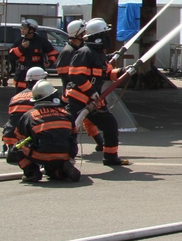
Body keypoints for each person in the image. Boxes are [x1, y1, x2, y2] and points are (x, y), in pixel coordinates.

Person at [65, 18, 134, 167]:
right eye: (105, 34)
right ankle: (64, 158)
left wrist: (123, 71)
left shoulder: (99, 54)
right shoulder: (84, 53)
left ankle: (110, 157)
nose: (107, 37)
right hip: (79, 99)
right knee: (71, 128)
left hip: (94, 101)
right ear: (98, 36)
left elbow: (107, 74)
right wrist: (90, 91)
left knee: (110, 125)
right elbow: (76, 75)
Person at [8, 75, 80, 183]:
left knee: (17, 147)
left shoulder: (29, 115)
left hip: (42, 155)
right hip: (66, 153)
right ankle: (60, 170)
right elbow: (74, 134)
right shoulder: (65, 113)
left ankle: (32, 173)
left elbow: (20, 136)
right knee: (52, 169)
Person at [56, 20, 105, 152]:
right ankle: (69, 147)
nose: (86, 35)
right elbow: (63, 72)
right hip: (73, 93)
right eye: (84, 32)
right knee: (75, 121)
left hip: (83, 91)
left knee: (87, 118)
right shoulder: (69, 51)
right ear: (77, 34)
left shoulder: (80, 49)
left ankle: (100, 142)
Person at [9, 19, 58, 92]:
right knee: (21, 96)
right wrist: (22, 47)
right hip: (22, 75)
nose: (22, 30)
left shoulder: (41, 42)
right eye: (21, 28)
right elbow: (12, 56)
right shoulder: (19, 42)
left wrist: (50, 62)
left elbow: (54, 54)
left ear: (31, 30)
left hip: (37, 74)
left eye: (24, 28)